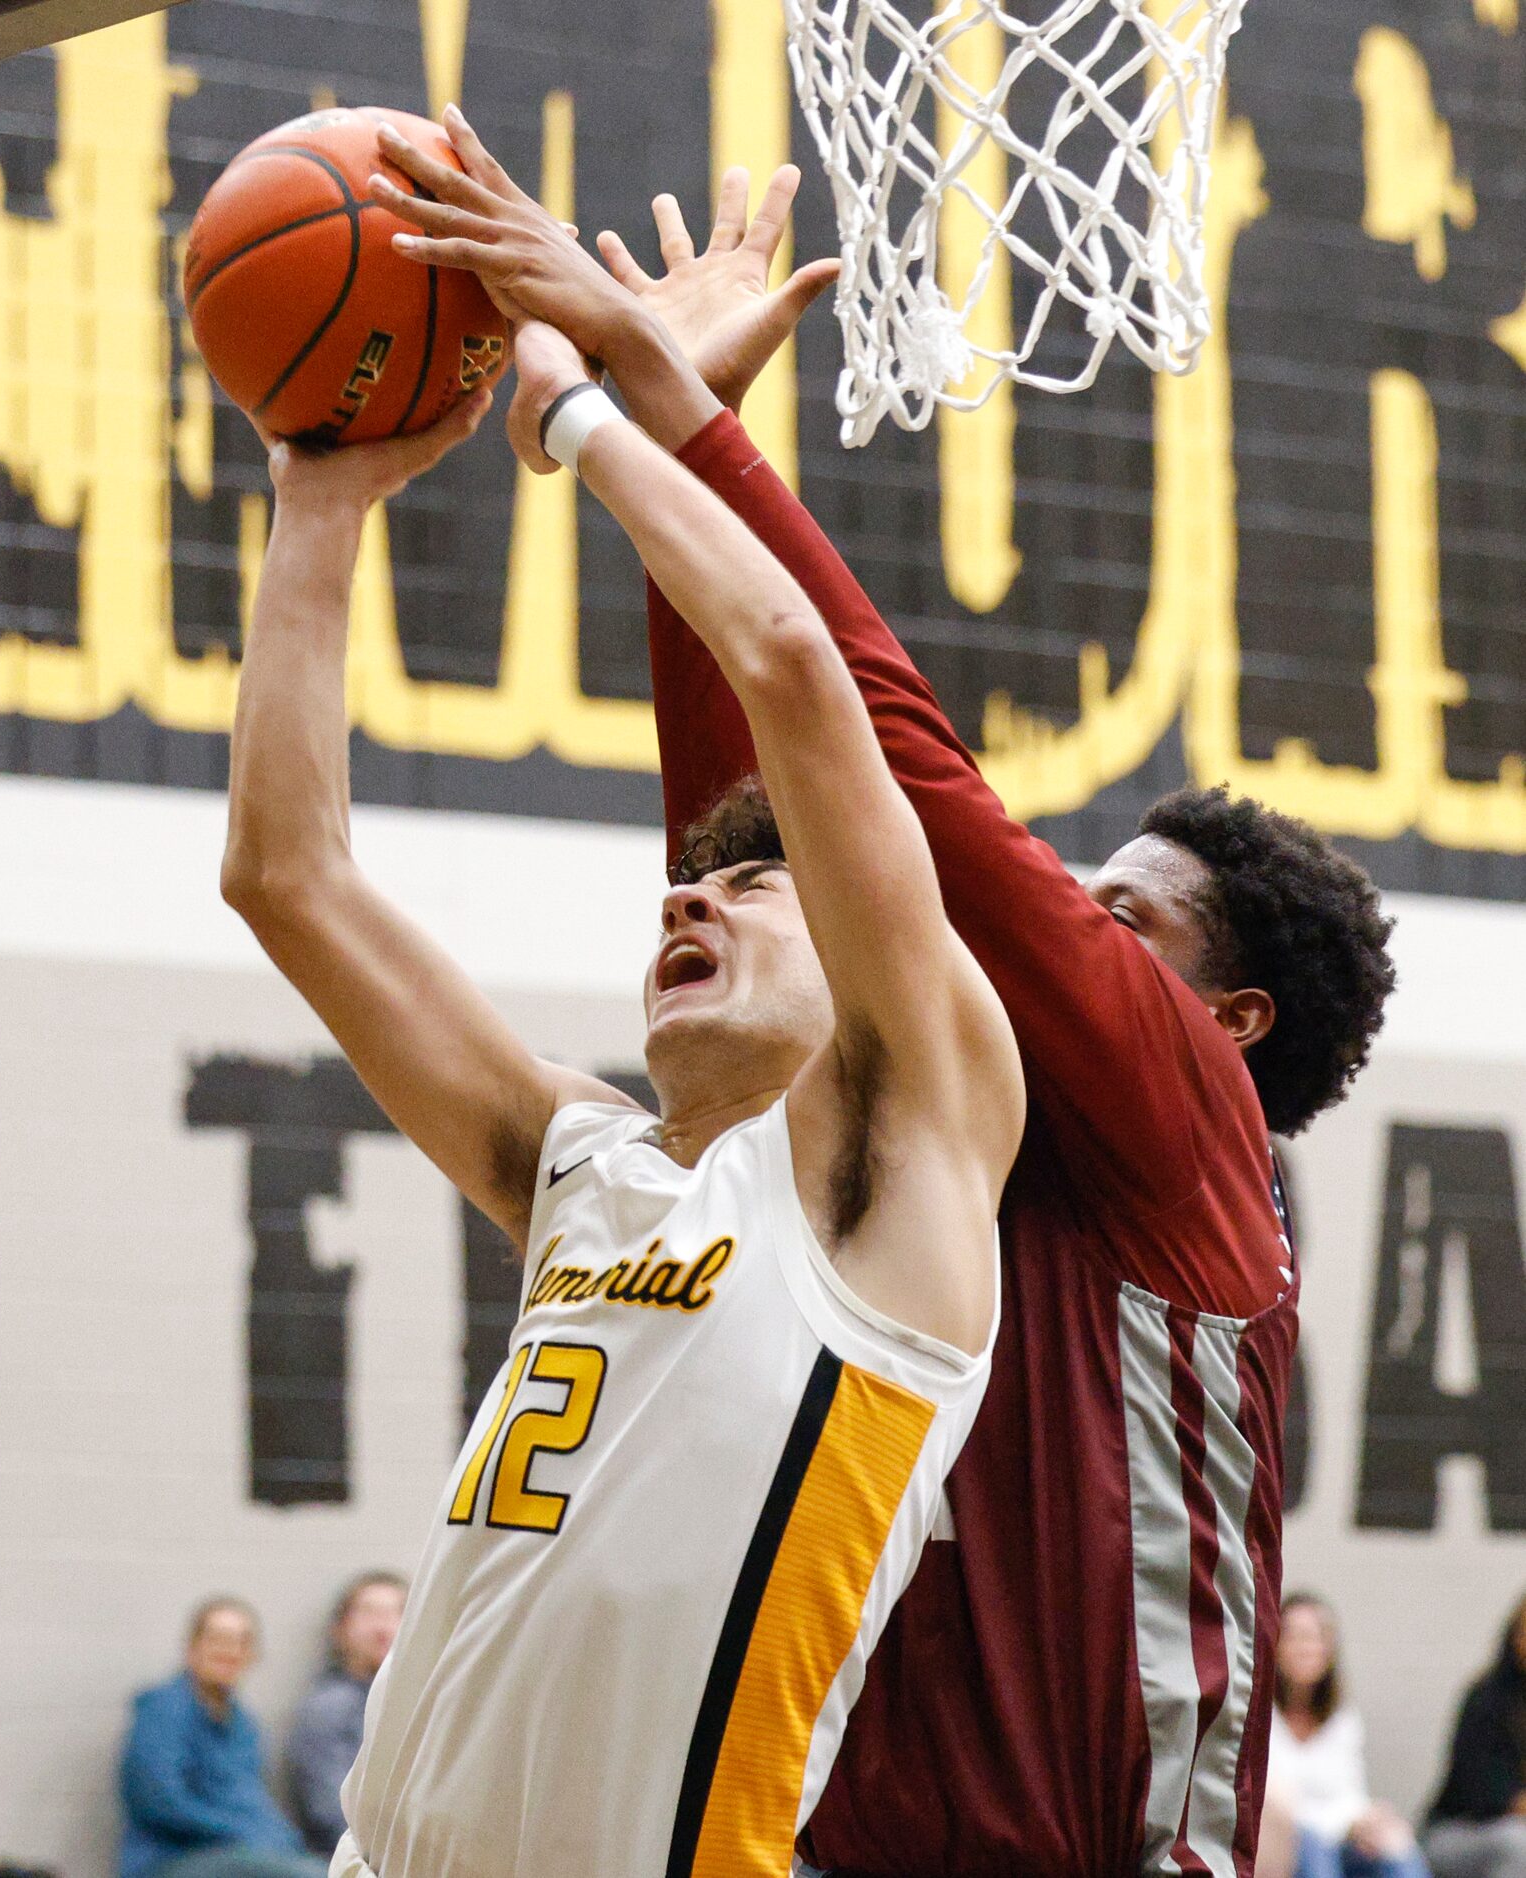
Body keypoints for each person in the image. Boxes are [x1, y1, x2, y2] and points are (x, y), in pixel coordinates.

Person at [375, 108, 1399, 1878]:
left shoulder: (1186, 1128)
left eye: (1124, 913)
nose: (1067, 915)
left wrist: (662, 421)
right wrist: (683, 468)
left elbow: (891, 774)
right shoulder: (910, 1151)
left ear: (1226, 1018)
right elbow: (778, 835)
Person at [220, 243, 1022, 1874]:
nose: (692, 892)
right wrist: (319, 495)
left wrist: (589, 407)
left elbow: (796, 675)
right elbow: (284, 876)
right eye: (691, 876)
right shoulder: (581, 1164)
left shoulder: (896, 1187)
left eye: (753, 882)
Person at [118, 1599, 321, 1878]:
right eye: (219, 1639)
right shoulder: (164, 1709)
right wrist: (245, 1832)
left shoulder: (244, 1725)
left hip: (242, 1854)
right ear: (192, 1647)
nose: (230, 1650)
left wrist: (280, 1838)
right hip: (174, 1859)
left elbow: (252, 1799)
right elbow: (160, 1802)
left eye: (242, 1642)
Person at [1270, 1592, 1429, 1878]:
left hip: (1341, 1839)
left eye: (1315, 1637)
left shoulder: (1343, 1717)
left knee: (1397, 1845)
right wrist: (1345, 1824)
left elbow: (1349, 1793)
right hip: (1287, 1843)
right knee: (1310, 1844)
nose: (1305, 1647)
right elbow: (1279, 1805)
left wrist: (1369, 1820)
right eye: (1294, 1636)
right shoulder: (1259, 1717)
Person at [284, 1576, 407, 1857]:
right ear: (339, 1629)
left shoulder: (419, 1704)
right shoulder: (329, 1707)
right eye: (369, 1613)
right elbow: (331, 1813)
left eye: (395, 1613)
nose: (383, 1627)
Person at [1423, 1593, 1526, 1878]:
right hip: (1457, 1833)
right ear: (1516, 1637)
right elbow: (1491, 1795)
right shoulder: (1487, 1700)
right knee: (1519, 1843)